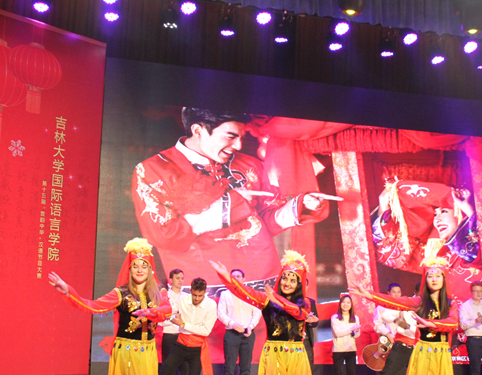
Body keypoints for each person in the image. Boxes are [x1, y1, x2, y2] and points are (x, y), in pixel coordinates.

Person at [132, 107, 333, 286]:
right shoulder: (154, 170)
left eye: (241, 137)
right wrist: (234, 203)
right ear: (198, 130)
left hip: (262, 280)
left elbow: (263, 223)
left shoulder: (250, 166)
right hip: (201, 286)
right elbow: (165, 236)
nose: (238, 145)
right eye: (230, 136)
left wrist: (299, 205)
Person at [48, 238, 171, 375]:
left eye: (144, 266)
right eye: (135, 265)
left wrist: (151, 312)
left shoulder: (158, 293)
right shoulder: (120, 293)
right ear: (129, 269)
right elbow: (93, 306)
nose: (140, 270)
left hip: (148, 353)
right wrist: (68, 292)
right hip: (126, 353)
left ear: (150, 269)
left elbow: (167, 310)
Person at [157, 277, 217, 375]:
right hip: (180, 345)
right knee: (163, 374)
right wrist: (171, 319)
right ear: (190, 291)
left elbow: (205, 330)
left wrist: (183, 324)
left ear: (205, 293)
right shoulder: (182, 300)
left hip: (197, 349)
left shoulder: (210, 305)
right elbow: (169, 314)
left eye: (200, 296)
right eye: (194, 295)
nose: (196, 298)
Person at [360, 283, 418, 375]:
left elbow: (416, 329)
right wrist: (388, 333)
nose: (397, 294)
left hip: (415, 346)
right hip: (392, 343)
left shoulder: (411, 307)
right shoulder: (384, 307)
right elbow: (378, 324)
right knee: (385, 373)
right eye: (394, 292)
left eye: (399, 292)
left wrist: (406, 326)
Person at [217, 268, 262, 375]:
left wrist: (251, 326)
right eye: (233, 276)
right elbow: (220, 313)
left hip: (248, 333)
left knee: (245, 368)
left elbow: (257, 311)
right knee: (229, 367)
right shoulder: (225, 294)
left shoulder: (250, 293)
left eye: (239, 276)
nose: (236, 278)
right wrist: (232, 323)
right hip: (231, 333)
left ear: (244, 278)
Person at [159, 269, 198, 375]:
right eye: (177, 278)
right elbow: (160, 320)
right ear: (171, 280)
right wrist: (173, 319)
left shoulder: (187, 297)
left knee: (186, 371)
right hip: (169, 335)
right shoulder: (164, 296)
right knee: (168, 370)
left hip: (184, 335)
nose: (180, 281)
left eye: (182, 278)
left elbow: (191, 317)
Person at [331, 293, 361, 375]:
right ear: (340, 304)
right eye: (344, 302)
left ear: (351, 305)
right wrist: (351, 329)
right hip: (338, 349)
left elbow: (357, 335)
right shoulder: (335, 318)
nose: (346, 304)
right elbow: (338, 333)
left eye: (348, 302)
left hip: (351, 349)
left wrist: (355, 331)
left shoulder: (355, 318)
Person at [304, 300, 320, 375]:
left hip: (307, 341)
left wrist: (311, 321)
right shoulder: (289, 300)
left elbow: (315, 322)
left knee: (308, 371)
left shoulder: (310, 302)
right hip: (293, 341)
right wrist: (304, 319)